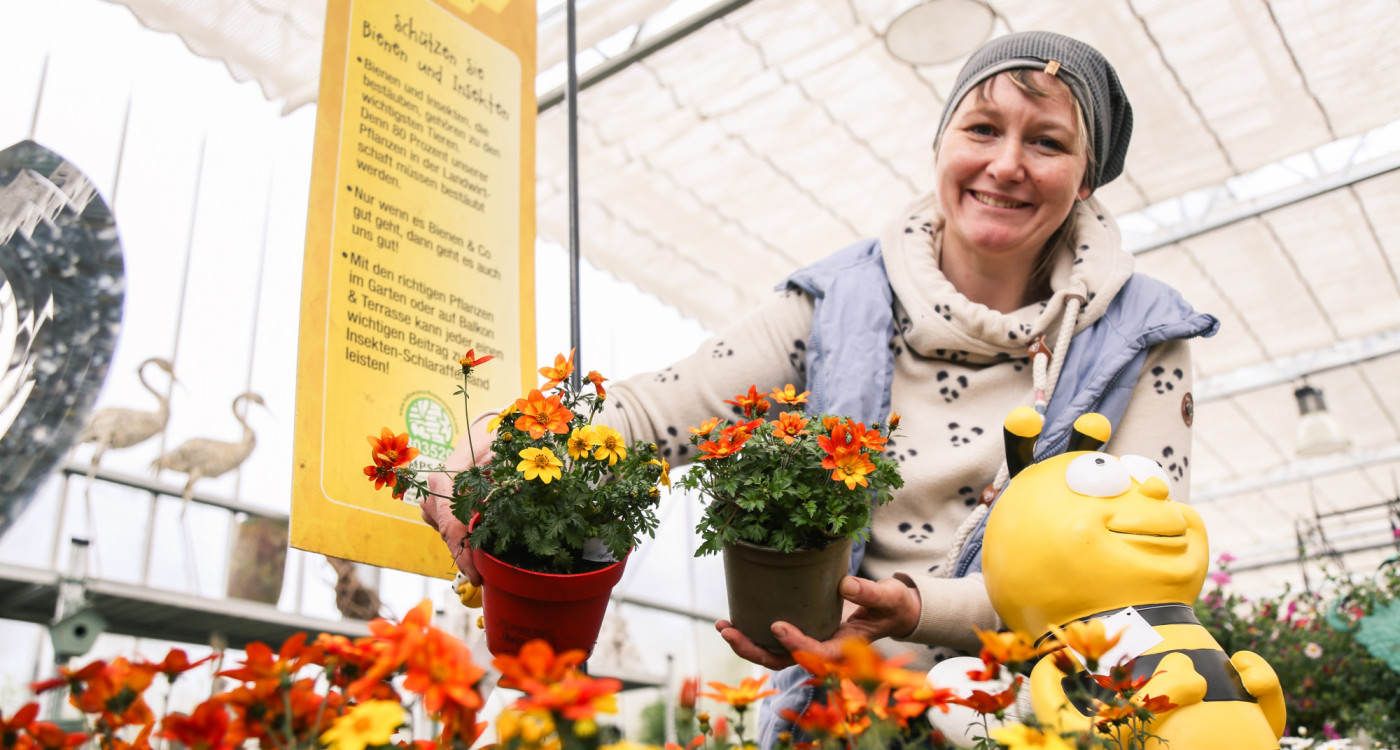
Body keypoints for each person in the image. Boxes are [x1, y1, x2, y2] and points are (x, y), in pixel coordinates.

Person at [421, 30, 1217, 747]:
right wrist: (497, 442)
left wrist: (919, 612)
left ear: (1084, 182)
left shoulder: (1140, 334)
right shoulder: (841, 301)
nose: (1005, 164)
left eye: (1046, 142)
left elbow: (1130, 582)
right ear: (942, 144)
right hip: (835, 723)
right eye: (981, 129)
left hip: (1033, 723)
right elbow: (658, 412)